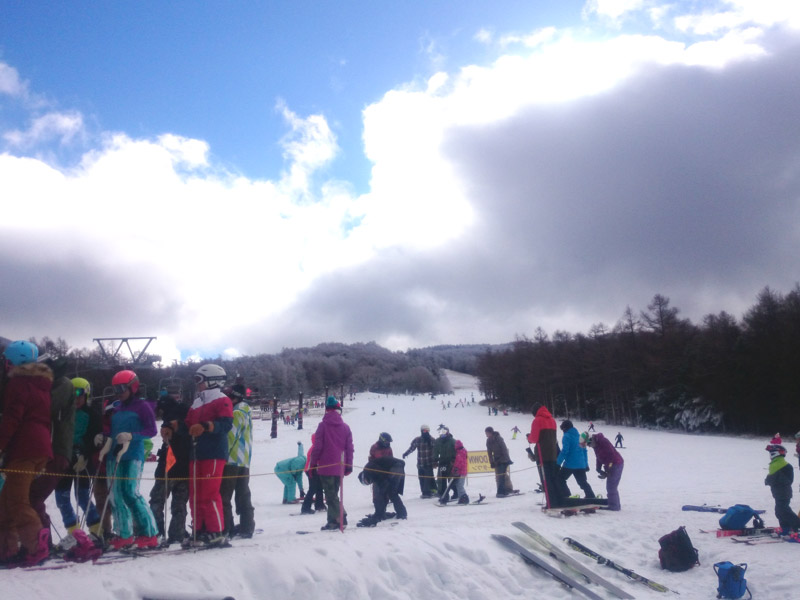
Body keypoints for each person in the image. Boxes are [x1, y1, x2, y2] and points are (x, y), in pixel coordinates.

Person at [0, 341, 53, 566]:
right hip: (38, 447)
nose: (5, 365)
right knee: (6, 502)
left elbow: (12, 417)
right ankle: (7, 549)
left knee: (18, 501)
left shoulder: (19, 384)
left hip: (24, 448)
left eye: (7, 361)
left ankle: (36, 546)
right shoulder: (40, 385)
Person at [102, 369, 159, 550]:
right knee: (115, 495)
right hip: (115, 454)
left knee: (130, 492)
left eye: (122, 388)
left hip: (132, 455)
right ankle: (124, 534)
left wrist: (132, 436)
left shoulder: (142, 406)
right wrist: (104, 439)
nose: (119, 392)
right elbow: (112, 430)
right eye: (115, 389)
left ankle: (149, 533)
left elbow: (151, 431)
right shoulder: (117, 408)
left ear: (133, 387)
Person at [181, 364, 233, 547]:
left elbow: (225, 424)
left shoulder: (222, 400)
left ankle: (215, 531)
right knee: (195, 494)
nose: (197, 385)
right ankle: (200, 529)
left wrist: (206, 426)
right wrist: (172, 428)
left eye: (199, 381)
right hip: (196, 454)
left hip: (213, 453)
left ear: (212, 381)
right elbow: (187, 424)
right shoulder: (197, 402)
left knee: (209, 493)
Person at [29, 357, 75, 539]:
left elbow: (45, 407)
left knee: (33, 498)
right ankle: (38, 540)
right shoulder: (52, 384)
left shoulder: (63, 384)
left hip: (56, 451)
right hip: (43, 450)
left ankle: (41, 542)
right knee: (29, 497)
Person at [54, 377, 102, 541]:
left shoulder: (91, 414)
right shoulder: (63, 413)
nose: (76, 400)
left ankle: (96, 530)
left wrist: (86, 455)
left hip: (82, 459)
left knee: (81, 496)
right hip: (64, 458)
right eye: (72, 396)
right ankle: (74, 532)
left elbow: (95, 438)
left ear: (86, 395)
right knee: (61, 497)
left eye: (79, 396)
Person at [152, 383, 192, 545]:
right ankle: (177, 532)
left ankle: (156, 532)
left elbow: (171, 441)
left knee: (157, 500)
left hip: (170, 464)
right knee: (179, 502)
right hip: (186, 464)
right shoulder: (187, 413)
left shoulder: (171, 419)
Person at [309, 396, 353, 531]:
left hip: (325, 466)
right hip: (340, 466)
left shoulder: (322, 426)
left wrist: (312, 464)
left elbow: (317, 447)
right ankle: (333, 520)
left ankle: (341, 516)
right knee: (333, 493)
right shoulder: (345, 427)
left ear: (326, 409)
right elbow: (349, 448)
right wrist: (349, 465)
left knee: (330, 495)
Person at [220, 384, 255, 538]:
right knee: (243, 494)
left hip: (231, 461)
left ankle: (227, 527)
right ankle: (247, 526)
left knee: (224, 495)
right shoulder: (246, 411)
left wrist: (221, 454)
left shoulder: (237, 413)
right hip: (243, 460)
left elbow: (230, 436)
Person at [526, 403, 567, 508]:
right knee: (553, 478)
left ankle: (551, 503)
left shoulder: (537, 420)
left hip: (542, 454)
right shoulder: (552, 420)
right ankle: (559, 500)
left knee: (545, 479)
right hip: (553, 454)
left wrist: (529, 438)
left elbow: (534, 438)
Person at [357, 455, 407, 526]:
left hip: (395, 467)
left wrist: (378, 515)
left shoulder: (368, 469)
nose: (368, 483)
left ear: (363, 477)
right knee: (392, 493)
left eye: (365, 482)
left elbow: (383, 479)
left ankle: (400, 513)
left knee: (390, 492)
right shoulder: (371, 473)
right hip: (399, 467)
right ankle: (401, 513)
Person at [764, 435, 800, 534]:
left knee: (783, 510)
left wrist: (767, 480)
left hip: (783, 493)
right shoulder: (780, 464)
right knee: (779, 511)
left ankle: (797, 525)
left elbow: (774, 478)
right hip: (780, 492)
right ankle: (785, 528)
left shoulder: (777, 464)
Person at [556, 421, 595, 500]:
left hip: (570, 464)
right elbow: (584, 452)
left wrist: (558, 463)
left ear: (565, 428)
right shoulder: (580, 436)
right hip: (581, 465)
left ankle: (566, 496)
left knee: (560, 479)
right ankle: (591, 496)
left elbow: (565, 451)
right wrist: (586, 464)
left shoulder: (567, 436)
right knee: (582, 482)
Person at [585, 432, 624, 511]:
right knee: (611, 486)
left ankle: (614, 506)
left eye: (589, 444)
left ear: (591, 440)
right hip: (611, 465)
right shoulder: (596, 445)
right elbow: (598, 457)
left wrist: (608, 469)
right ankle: (614, 504)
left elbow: (611, 455)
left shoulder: (603, 442)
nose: (589, 447)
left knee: (611, 486)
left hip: (616, 464)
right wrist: (598, 468)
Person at [402, 424, 436, 498]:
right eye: (424, 430)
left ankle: (428, 492)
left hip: (429, 463)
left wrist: (435, 462)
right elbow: (412, 448)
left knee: (428, 478)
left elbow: (435, 452)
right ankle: (424, 492)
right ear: (421, 431)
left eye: (427, 431)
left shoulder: (432, 440)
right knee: (421, 478)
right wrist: (406, 453)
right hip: (420, 463)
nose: (426, 432)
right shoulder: (417, 439)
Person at [485, 426, 516, 497]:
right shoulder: (488, 441)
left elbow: (504, 448)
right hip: (497, 460)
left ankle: (502, 491)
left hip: (503, 459)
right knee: (499, 475)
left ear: (490, 432)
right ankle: (503, 490)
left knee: (501, 475)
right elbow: (489, 452)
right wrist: (491, 462)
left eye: (487, 433)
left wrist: (508, 459)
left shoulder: (498, 438)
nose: (486, 435)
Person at [300, 433, 326, 515]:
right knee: (313, 488)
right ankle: (305, 508)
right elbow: (314, 460)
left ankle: (319, 505)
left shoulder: (316, 447)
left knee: (319, 487)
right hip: (311, 469)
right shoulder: (315, 448)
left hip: (314, 469)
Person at [440, 439, 470, 504]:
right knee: (457, 484)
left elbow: (459, 462)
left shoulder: (460, 453)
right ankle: (461, 497)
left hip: (461, 472)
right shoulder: (461, 452)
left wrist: (455, 469)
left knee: (459, 485)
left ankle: (463, 497)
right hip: (460, 471)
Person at [433, 426, 456, 500]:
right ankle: (443, 494)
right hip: (442, 462)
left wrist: (454, 460)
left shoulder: (452, 441)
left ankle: (456, 492)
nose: (443, 435)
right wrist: (435, 460)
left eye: (444, 433)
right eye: (441, 434)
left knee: (451, 479)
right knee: (442, 479)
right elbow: (435, 451)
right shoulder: (438, 441)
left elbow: (457, 451)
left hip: (451, 463)